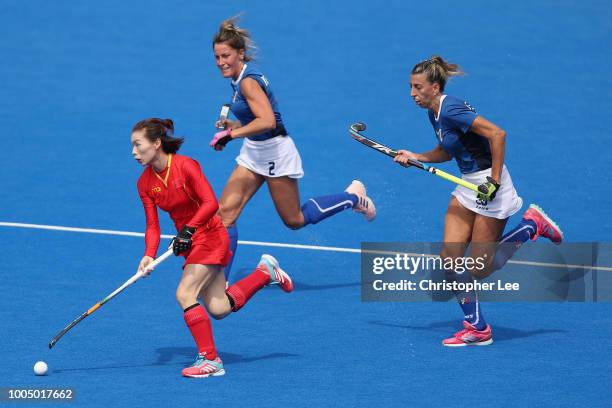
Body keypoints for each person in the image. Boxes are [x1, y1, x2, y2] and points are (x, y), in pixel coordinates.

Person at [394, 56, 563, 347]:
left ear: (434, 87)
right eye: (410, 87)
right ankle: (478, 327)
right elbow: (448, 150)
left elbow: (498, 134)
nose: (412, 93)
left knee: (479, 268)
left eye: (418, 87)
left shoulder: (451, 108)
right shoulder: (433, 113)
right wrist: (417, 156)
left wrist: (494, 181)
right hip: (466, 185)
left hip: (489, 184)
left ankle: (531, 226)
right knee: (450, 260)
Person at [209, 17, 376, 279]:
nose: (221, 62)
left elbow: (267, 120)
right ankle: (221, 284)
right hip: (254, 152)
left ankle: (353, 197)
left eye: (226, 55)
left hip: (275, 151)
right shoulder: (239, 78)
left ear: (240, 53)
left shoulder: (247, 82)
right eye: (217, 57)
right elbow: (257, 116)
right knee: (225, 215)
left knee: (294, 220)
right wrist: (233, 125)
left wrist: (231, 134)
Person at [132, 118, 293, 377]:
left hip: (210, 235)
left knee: (185, 294)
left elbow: (210, 204)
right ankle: (265, 272)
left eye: (138, 145)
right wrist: (148, 254)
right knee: (219, 309)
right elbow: (152, 226)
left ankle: (210, 360)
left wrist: (189, 229)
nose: (134, 152)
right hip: (190, 241)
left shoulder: (185, 166)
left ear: (156, 143)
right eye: (133, 146)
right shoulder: (144, 183)